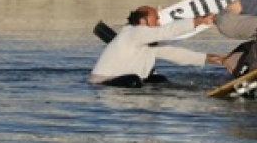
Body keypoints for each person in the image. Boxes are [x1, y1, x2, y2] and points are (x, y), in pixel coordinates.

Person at [89, 6, 223, 86]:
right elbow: (167, 31)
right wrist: (199, 21)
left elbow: (174, 53)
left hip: (123, 82)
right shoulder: (134, 33)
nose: (159, 23)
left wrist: (210, 59)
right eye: (156, 19)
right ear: (143, 21)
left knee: (159, 80)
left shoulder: (146, 40)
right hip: (103, 84)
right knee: (134, 80)